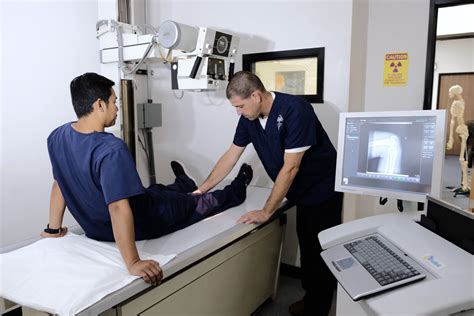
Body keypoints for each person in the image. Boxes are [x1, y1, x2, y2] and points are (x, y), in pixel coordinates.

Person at [41, 72, 253, 286]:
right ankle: (238, 186)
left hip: (97, 228)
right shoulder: (111, 149)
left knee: (155, 190)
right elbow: (117, 207)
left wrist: (53, 229)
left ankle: (183, 182)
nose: (117, 108)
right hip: (148, 220)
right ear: (99, 105)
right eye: (114, 102)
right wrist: (133, 262)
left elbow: (60, 182)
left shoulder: (57, 137)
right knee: (199, 202)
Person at [194, 71, 343, 316]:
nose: (238, 112)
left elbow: (291, 166)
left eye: (240, 106)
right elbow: (231, 155)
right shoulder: (249, 119)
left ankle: (318, 309)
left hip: (321, 190)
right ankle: (310, 297)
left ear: (256, 95)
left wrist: (267, 211)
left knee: (318, 252)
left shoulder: (296, 109)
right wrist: (201, 190)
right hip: (298, 191)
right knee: (306, 246)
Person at [446, 84, 469, 194]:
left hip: (462, 130)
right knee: (463, 157)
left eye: (451, 92)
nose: (449, 94)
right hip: (462, 129)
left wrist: (450, 138)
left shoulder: (457, 103)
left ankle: (465, 186)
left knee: (462, 159)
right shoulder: (462, 101)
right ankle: (464, 184)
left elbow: (452, 121)